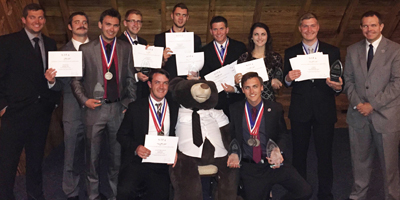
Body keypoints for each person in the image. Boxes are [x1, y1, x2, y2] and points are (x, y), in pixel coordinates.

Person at [71, 8, 136, 200]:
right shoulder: (86, 49)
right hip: (94, 109)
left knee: (117, 157)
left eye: (115, 25)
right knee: (92, 157)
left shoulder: (125, 48)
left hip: (118, 109)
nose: (111, 29)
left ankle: (116, 193)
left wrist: (129, 104)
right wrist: (84, 100)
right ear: (100, 25)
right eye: (108, 24)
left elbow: (131, 79)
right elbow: (76, 80)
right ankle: (93, 195)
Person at [0, 3, 59, 199]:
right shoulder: (7, 42)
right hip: (14, 112)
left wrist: (52, 85)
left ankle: (35, 195)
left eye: (41, 18)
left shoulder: (50, 44)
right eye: (32, 17)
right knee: (8, 162)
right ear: (24, 20)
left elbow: (52, 78)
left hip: (40, 113)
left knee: (36, 161)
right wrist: (2, 105)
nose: (37, 21)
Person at [282, 13, 342, 200]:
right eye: (305, 26)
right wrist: (288, 78)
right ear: (300, 29)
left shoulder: (332, 51)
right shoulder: (291, 52)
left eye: (312, 26)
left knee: (324, 156)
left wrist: (338, 85)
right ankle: (301, 192)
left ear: (318, 27)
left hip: (324, 110)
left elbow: (340, 82)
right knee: (299, 155)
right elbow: (286, 81)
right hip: (300, 111)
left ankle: (325, 193)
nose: (309, 30)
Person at [227, 72, 312, 200]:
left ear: (262, 87)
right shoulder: (235, 109)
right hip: (251, 169)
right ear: (243, 90)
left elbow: (283, 133)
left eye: (255, 86)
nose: (252, 91)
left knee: (305, 191)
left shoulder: (275, 108)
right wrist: (233, 152)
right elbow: (231, 135)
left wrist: (278, 149)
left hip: (273, 163)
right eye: (247, 87)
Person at [344, 11, 400, 200]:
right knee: (359, 163)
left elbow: (397, 84)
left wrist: (372, 105)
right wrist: (359, 103)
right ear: (361, 28)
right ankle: (358, 195)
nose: (369, 29)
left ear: (381, 27)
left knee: (389, 166)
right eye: (365, 26)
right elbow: (348, 81)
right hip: (358, 116)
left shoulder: (395, 50)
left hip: (385, 118)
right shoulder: (352, 50)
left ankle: (392, 197)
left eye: (373, 25)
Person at [44, 11, 89, 200]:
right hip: (72, 109)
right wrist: (52, 81)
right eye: (77, 22)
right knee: (71, 152)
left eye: (84, 22)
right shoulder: (61, 54)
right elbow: (59, 87)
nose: (81, 25)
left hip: (97, 108)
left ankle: (91, 190)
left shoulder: (99, 48)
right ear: (70, 27)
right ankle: (71, 192)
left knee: (93, 154)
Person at [116, 69, 178, 200]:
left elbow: (180, 132)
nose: (161, 87)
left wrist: (176, 150)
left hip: (162, 161)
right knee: (125, 191)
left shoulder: (175, 107)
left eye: (165, 83)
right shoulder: (135, 107)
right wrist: (137, 147)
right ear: (149, 84)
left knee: (161, 195)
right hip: (139, 160)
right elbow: (121, 135)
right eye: (157, 82)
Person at [199, 16, 247, 117]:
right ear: (211, 31)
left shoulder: (240, 47)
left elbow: (245, 73)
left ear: (227, 30)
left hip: (237, 99)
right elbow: (203, 75)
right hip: (215, 102)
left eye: (221, 28)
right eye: (215, 29)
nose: (218, 32)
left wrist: (235, 88)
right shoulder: (204, 51)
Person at [236, 22, 283, 102]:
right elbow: (241, 87)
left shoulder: (276, 58)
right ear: (251, 37)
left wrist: (276, 83)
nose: (260, 37)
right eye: (256, 34)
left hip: (269, 103)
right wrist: (237, 82)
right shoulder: (244, 58)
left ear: (267, 37)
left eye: (263, 34)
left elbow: (279, 81)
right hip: (248, 102)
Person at [154, 2, 202, 79]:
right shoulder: (160, 39)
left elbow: (199, 64)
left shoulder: (195, 39)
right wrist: (162, 59)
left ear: (187, 17)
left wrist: (195, 73)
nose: (180, 18)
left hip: (188, 82)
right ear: (172, 16)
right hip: (167, 83)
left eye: (184, 15)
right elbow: (155, 68)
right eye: (178, 14)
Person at [119, 9, 150, 100]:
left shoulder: (143, 42)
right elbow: (119, 70)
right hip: (125, 93)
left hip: (143, 91)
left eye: (138, 21)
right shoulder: (118, 43)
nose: (136, 25)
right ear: (125, 23)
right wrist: (136, 76)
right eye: (132, 21)